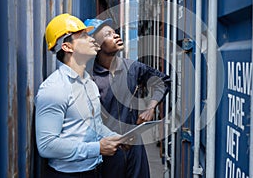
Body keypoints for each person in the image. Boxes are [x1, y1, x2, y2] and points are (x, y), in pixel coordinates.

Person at [35, 13, 123, 178]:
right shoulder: (54, 89)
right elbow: (46, 146)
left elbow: (94, 126)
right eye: (83, 36)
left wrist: (114, 138)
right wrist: (97, 148)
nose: (91, 39)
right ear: (67, 47)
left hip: (94, 170)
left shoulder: (89, 83)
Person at [84, 18, 171, 178]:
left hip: (135, 147)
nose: (116, 35)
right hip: (109, 150)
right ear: (96, 45)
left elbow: (163, 81)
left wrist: (151, 107)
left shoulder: (132, 67)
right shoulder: (89, 77)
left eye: (114, 32)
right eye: (108, 34)